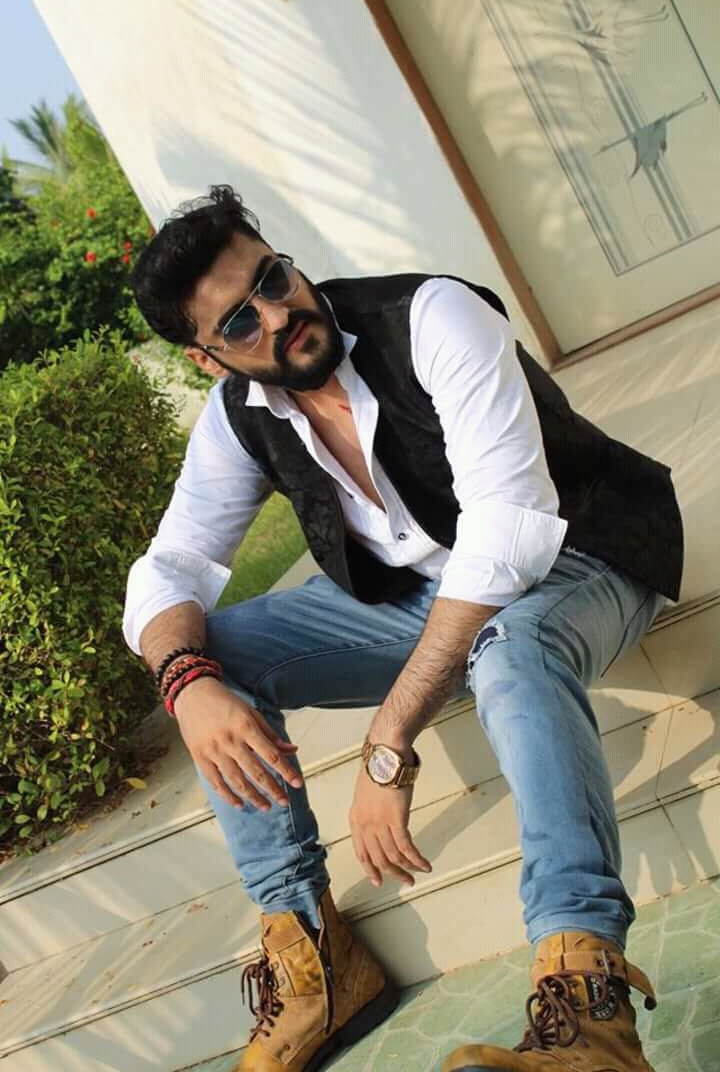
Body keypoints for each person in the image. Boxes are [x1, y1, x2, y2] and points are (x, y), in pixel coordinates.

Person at [124, 185, 683, 1072]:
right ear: (208, 358)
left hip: (583, 555)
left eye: (273, 278)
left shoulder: (431, 317)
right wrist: (186, 683)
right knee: (207, 654)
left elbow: (507, 532)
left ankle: (589, 1007)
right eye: (239, 321)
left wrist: (390, 737)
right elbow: (171, 566)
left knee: (511, 649)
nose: (279, 314)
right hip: (424, 599)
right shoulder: (240, 416)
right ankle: (313, 959)